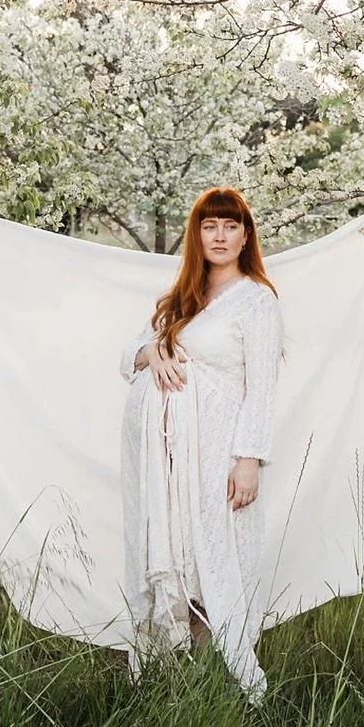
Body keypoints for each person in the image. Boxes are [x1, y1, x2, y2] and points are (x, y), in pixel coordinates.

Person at [119, 186, 283, 700]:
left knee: (215, 559)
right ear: (197, 234)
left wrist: (249, 459)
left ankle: (225, 687)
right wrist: (152, 349)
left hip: (217, 456)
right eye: (209, 226)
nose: (219, 235)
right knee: (178, 558)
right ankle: (176, 685)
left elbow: (262, 388)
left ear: (245, 235)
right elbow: (125, 357)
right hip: (166, 462)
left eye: (230, 226)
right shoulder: (183, 297)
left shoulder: (256, 301)